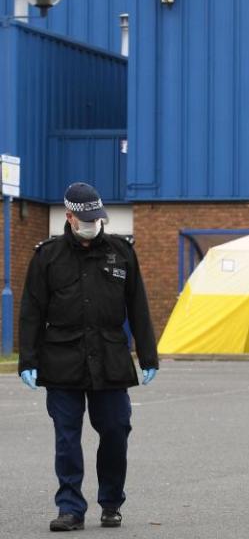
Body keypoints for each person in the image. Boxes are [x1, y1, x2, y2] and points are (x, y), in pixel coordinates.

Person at [18, 182, 158, 532]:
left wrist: (149, 355)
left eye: (98, 218)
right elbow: (32, 312)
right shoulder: (47, 256)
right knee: (67, 437)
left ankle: (111, 501)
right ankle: (70, 507)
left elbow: (137, 307)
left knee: (115, 430)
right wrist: (28, 361)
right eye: (86, 218)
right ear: (69, 216)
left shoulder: (121, 252)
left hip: (110, 358)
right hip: (61, 358)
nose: (93, 224)